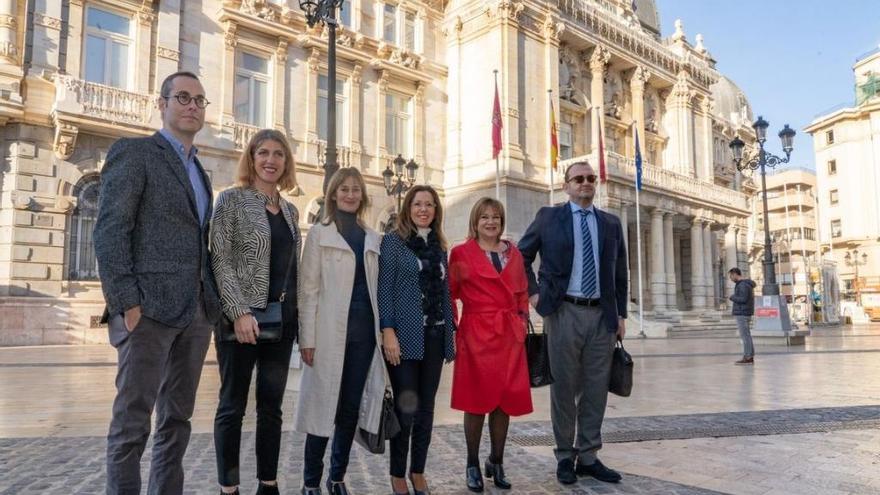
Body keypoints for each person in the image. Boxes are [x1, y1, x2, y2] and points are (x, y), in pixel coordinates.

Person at [94, 71, 223, 494]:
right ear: (162, 103)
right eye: (182, 97)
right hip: (147, 312)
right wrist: (126, 301)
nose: (191, 106)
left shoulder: (201, 172)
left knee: (177, 422)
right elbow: (111, 230)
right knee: (132, 423)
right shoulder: (136, 153)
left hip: (194, 314)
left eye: (199, 100)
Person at [518, 160, 628, 486]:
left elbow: (620, 272)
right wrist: (534, 296)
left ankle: (589, 456)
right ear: (566, 185)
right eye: (578, 179)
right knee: (564, 387)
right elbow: (521, 256)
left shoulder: (610, 223)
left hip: (602, 316)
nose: (585, 183)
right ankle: (565, 455)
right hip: (563, 312)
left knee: (596, 388)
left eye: (590, 178)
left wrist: (620, 313)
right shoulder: (549, 217)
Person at [210, 129, 301, 495]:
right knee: (232, 406)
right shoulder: (231, 200)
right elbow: (220, 258)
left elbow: (292, 269)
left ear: (286, 162)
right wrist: (238, 311)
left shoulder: (291, 211)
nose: (271, 160)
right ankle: (228, 487)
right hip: (240, 322)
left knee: (271, 408)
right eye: (263, 152)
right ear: (251, 158)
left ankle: (268, 484)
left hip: (281, 322)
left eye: (278, 154)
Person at [295, 168, 388, 495]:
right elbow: (307, 290)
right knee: (322, 408)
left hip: (364, 336)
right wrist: (306, 338)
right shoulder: (321, 234)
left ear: (362, 196)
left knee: (349, 409)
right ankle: (310, 482)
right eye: (344, 189)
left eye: (355, 190)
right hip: (328, 335)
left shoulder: (373, 237)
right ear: (333, 194)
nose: (350, 194)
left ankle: (337, 477)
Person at [449, 197, 533, 493]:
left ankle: (496, 461)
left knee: (504, 401)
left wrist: (522, 319)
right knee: (475, 402)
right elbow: (451, 294)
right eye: (484, 217)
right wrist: (458, 330)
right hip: (476, 336)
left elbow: (522, 291)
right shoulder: (461, 253)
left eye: (495, 216)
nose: (490, 221)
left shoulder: (514, 254)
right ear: (475, 221)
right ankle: (472, 463)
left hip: (509, 336)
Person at [378, 185, 456, 495]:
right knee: (406, 409)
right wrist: (388, 331)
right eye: (418, 204)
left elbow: (447, 292)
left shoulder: (441, 246)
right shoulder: (393, 243)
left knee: (426, 410)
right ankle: (398, 473)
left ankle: (418, 471)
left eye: (429, 205)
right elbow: (385, 288)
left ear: (436, 211)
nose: (423, 209)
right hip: (404, 338)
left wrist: (450, 336)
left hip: (435, 335)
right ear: (408, 208)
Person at [728, 267, 756, 365]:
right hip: (745, 312)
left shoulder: (742, 285)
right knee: (746, 336)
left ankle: (748, 357)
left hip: (742, 313)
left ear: (735, 274)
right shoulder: (745, 284)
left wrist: (732, 297)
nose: (731, 278)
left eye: (731, 276)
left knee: (745, 336)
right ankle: (749, 355)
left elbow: (743, 299)